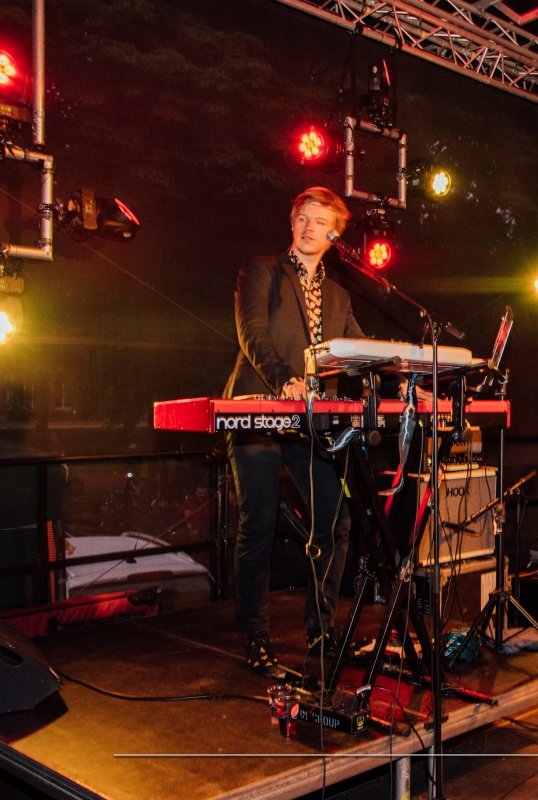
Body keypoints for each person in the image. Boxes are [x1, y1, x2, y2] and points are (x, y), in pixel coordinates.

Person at [224, 187, 363, 679]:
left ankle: (321, 630)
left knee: (335, 519)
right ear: (292, 221)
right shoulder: (262, 270)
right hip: (257, 412)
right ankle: (256, 636)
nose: (309, 227)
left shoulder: (339, 295)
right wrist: (283, 378)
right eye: (303, 217)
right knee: (258, 524)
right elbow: (252, 333)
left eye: (320, 221)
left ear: (335, 235)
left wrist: (414, 379)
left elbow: (361, 351)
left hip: (308, 422)